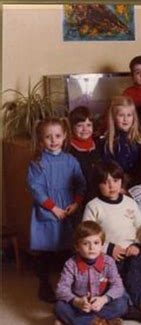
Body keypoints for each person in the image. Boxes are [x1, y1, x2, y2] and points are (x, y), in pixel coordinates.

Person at [27, 118, 86, 302]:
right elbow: (35, 188)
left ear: (65, 136)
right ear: (41, 139)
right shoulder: (37, 162)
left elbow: (81, 184)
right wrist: (53, 208)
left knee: (67, 249)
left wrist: (75, 204)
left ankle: (67, 286)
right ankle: (44, 285)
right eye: (48, 137)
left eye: (58, 136)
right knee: (46, 251)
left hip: (68, 209)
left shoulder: (70, 160)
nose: (53, 140)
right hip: (47, 210)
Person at [54, 220, 128, 325]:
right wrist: (77, 301)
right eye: (85, 243)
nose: (91, 247)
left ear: (102, 245)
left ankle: (69, 324)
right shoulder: (71, 264)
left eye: (96, 243)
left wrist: (104, 299)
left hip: (101, 304)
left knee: (122, 304)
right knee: (59, 307)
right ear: (77, 247)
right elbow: (61, 289)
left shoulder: (108, 262)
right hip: (80, 305)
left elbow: (118, 286)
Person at [82, 161, 141, 271]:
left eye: (115, 181)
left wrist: (137, 246)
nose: (111, 186)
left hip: (131, 251)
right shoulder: (93, 206)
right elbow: (86, 236)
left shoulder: (130, 203)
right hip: (105, 254)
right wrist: (109, 249)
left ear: (121, 181)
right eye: (105, 182)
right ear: (98, 184)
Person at [101, 96, 141, 186]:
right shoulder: (109, 142)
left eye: (129, 115)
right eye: (121, 115)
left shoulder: (139, 140)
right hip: (117, 185)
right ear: (113, 118)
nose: (125, 119)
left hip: (138, 185)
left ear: (134, 117)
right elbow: (108, 169)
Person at [68, 105, 102, 203]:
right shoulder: (69, 149)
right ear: (72, 127)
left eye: (88, 125)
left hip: (97, 193)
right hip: (77, 196)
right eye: (80, 125)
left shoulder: (98, 144)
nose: (85, 129)